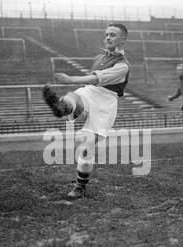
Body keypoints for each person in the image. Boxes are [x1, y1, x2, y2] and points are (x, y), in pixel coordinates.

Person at [42, 23, 130, 199]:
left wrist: (71, 79)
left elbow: (97, 78)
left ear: (123, 39)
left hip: (106, 102)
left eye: (112, 35)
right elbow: (91, 83)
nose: (108, 38)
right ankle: (61, 107)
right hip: (90, 91)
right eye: (106, 34)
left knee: (86, 145)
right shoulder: (100, 57)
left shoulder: (123, 65)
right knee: (74, 97)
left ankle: (80, 185)